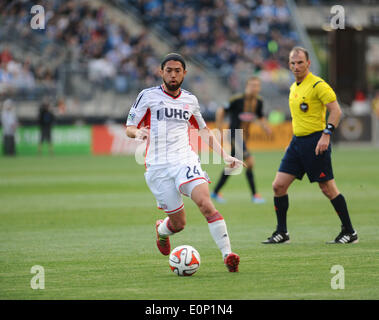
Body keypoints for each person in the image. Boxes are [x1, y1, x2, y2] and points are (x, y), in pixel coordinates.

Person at [126, 53, 245, 272]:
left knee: (206, 204)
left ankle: (228, 255)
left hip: (185, 159)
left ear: (184, 73)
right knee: (178, 224)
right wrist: (137, 133)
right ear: (161, 72)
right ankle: (162, 230)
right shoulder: (148, 96)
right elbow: (129, 126)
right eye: (168, 70)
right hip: (158, 167)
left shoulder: (190, 100)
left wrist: (225, 155)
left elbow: (203, 130)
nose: (173, 75)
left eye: (177, 71)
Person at [262, 46, 358, 244]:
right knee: (278, 186)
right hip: (297, 143)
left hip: (316, 141)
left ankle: (349, 232)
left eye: (300, 62)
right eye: (293, 63)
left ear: (308, 63)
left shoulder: (318, 85)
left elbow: (336, 111)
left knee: (328, 188)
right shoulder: (294, 86)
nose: (296, 66)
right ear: (289, 64)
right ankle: (282, 233)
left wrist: (326, 134)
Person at [211, 77, 272, 204]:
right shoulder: (237, 99)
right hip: (234, 135)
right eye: (251, 85)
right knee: (250, 162)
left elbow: (260, 116)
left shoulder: (259, 102)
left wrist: (266, 127)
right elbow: (221, 110)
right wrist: (219, 128)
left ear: (259, 88)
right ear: (246, 86)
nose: (254, 88)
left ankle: (215, 192)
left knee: (233, 166)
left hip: (244, 137)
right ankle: (255, 195)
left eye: (256, 86)